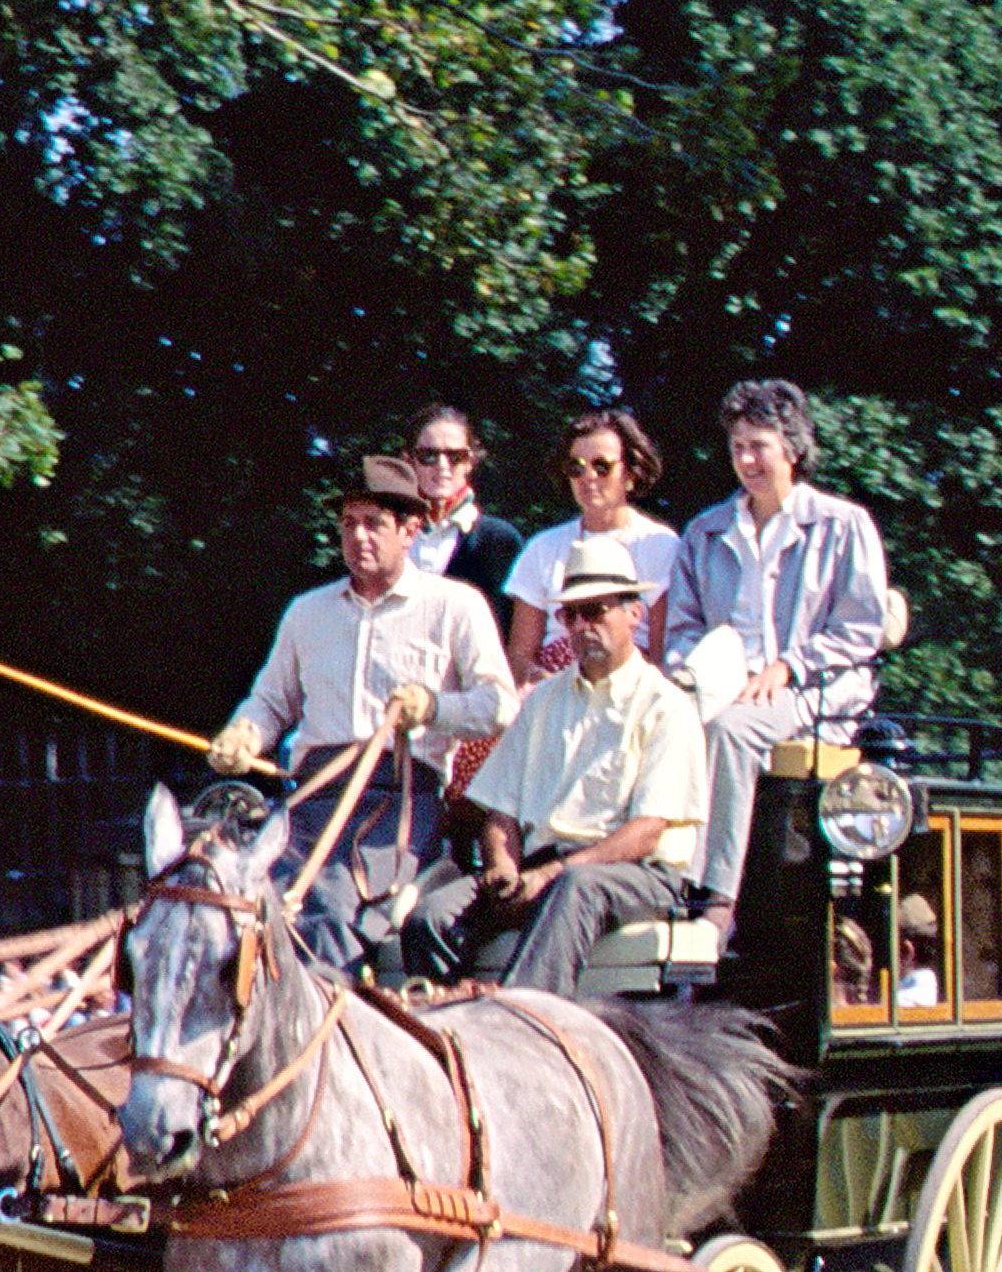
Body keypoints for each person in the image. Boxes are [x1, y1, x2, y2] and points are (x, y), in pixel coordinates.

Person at [205, 453, 516, 970]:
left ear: (411, 530)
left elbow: (499, 704)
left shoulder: (455, 606)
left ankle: (318, 1040)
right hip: (309, 795)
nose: (359, 537)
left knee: (323, 908)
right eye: (349, 524)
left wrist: (433, 707)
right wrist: (244, 734)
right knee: (229, 897)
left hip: (400, 802)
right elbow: (271, 702)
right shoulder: (308, 612)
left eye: (374, 524)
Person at [406, 542, 705, 993]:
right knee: (428, 919)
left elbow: (646, 831)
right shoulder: (542, 700)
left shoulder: (665, 706)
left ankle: (520, 1024)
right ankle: (446, 1033)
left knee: (575, 888)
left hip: (637, 875)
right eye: (571, 615)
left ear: (635, 614)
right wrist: (503, 864)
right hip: (543, 867)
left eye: (596, 610)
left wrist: (552, 874)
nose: (583, 625)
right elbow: (500, 810)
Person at [660, 378, 894, 939]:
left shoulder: (843, 525)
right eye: (737, 446)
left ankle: (710, 897)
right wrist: (712, 672)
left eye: (758, 445)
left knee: (732, 731)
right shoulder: (706, 532)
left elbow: (859, 629)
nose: (746, 459)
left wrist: (787, 667)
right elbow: (682, 631)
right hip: (722, 688)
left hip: (816, 688)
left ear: (792, 448)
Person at [499, 407, 680, 689]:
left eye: (602, 466)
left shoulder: (659, 545)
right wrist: (545, 685)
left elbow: (662, 651)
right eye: (576, 467)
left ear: (631, 473)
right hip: (552, 686)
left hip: (630, 681)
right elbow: (521, 654)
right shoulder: (543, 548)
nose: (588, 477)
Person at [402, 404, 522, 601]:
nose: (442, 466)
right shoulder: (385, 534)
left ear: (470, 463)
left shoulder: (499, 541)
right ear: (409, 461)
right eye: (428, 455)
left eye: (455, 456)